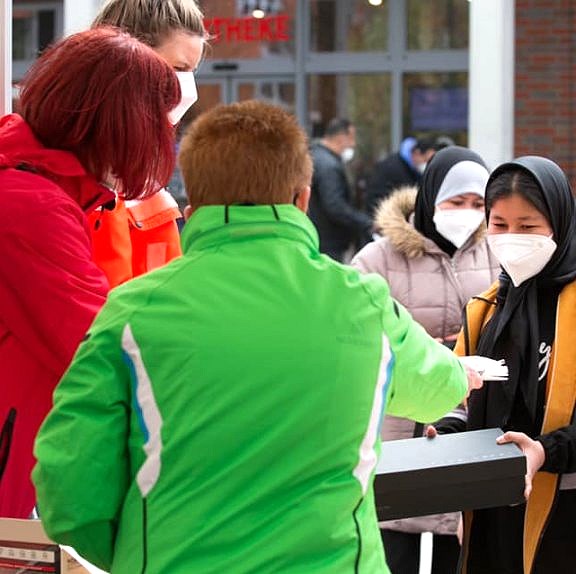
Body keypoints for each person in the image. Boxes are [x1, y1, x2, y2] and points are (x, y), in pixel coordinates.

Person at [33, 100, 481, 574]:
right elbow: (440, 389)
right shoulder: (362, 303)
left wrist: (139, 552)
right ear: (303, 200)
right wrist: (464, 369)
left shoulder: (133, 311)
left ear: (193, 208)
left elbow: (69, 489)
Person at [0, 27, 181, 519]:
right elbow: (101, 345)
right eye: (156, 123)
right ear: (117, 123)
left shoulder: (35, 186)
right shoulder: (33, 206)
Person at [351, 146, 500, 574]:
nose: (468, 213)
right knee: (396, 552)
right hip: (399, 436)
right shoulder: (377, 259)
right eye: (456, 201)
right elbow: (356, 335)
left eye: (477, 204)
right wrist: (423, 349)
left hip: (470, 434)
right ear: (431, 197)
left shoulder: (494, 253)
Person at [453, 156, 576, 574]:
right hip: (494, 512)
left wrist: (545, 451)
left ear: (559, 224)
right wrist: (443, 434)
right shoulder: (487, 307)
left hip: (561, 514)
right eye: (500, 225)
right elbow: (462, 396)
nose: (511, 239)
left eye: (527, 227)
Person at [89, 0, 206, 287]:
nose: (187, 89)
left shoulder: (146, 180)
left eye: (192, 72)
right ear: (126, 57)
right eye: (178, 68)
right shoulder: (66, 174)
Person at [308, 118, 373, 262]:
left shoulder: (316, 155)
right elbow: (335, 205)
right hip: (328, 241)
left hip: (318, 236)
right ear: (341, 138)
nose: (353, 144)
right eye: (351, 138)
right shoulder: (329, 166)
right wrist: (366, 222)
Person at [365, 137, 439, 215]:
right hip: (384, 215)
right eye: (426, 160)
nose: (427, 165)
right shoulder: (395, 168)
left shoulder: (413, 169)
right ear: (417, 153)